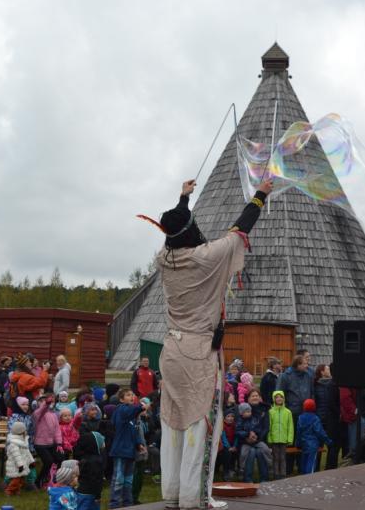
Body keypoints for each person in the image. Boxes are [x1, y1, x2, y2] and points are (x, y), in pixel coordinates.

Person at [157, 178, 272, 509]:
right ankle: (195, 498)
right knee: (202, 424)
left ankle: (174, 492)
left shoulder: (164, 260)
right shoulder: (206, 258)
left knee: (173, 421)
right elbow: (240, 230)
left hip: (172, 351)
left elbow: (175, 229)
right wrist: (261, 194)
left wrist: (183, 198)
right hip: (198, 353)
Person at [109, 388, 144, 508]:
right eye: (128, 395)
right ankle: (115, 503)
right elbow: (131, 410)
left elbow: (134, 432)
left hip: (130, 451)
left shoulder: (131, 417)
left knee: (128, 480)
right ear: (121, 399)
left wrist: (138, 444)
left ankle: (127, 503)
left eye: (132, 395)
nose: (131, 397)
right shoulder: (121, 410)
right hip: (120, 451)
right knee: (118, 479)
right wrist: (141, 406)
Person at [236, 391, 272, 483]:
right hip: (245, 440)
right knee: (250, 452)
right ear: (248, 399)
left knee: (262, 451)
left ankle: (265, 476)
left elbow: (265, 428)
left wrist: (256, 438)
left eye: (257, 395)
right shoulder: (243, 410)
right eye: (252, 396)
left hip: (259, 439)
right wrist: (247, 437)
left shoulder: (263, 410)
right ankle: (246, 477)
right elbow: (238, 428)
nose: (255, 397)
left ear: (260, 397)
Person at [34, 394, 63, 489]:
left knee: (60, 458)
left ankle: (54, 479)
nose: (44, 402)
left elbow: (57, 430)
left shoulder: (54, 415)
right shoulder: (37, 414)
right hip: (40, 444)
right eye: (41, 401)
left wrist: (59, 443)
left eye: (45, 400)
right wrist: (46, 403)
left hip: (51, 443)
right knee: (48, 462)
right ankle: (39, 481)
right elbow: (42, 410)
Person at [313, 364, 340, 470]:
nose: (329, 371)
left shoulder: (333, 384)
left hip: (329, 419)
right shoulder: (316, 385)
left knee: (330, 445)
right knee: (320, 445)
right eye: (327, 369)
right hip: (321, 419)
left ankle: (329, 468)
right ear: (322, 372)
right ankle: (316, 468)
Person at [296, 399, 332, 474]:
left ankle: (303, 478)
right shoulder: (315, 418)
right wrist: (328, 441)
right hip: (313, 445)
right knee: (311, 463)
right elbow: (320, 432)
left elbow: (298, 432)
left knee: (304, 462)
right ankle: (309, 479)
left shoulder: (300, 418)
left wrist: (298, 443)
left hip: (303, 443)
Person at [73, 428, 105, 510]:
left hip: (81, 491)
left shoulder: (84, 458)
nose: (104, 443)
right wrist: (98, 495)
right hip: (90, 493)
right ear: (95, 444)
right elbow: (96, 479)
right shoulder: (96, 461)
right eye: (102, 441)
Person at [5, 421, 36, 496]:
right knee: (16, 480)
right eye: (24, 430)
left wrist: (31, 461)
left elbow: (27, 452)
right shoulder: (13, 444)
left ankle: (17, 491)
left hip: (22, 465)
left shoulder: (23, 442)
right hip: (16, 465)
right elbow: (17, 456)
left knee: (21, 480)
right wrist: (20, 465)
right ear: (21, 432)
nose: (26, 432)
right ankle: (9, 491)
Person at [267, 390, 293, 480]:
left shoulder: (288, 412)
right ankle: (276, 474)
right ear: (274, 399)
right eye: (277, 397)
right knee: (275, 457)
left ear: (283, 398)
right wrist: (269, 438)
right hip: (274, 439)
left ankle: (283, 474)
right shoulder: (270, 412)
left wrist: (289, 438)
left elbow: (290, 426)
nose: (279, 399)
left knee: (282, 457)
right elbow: (269, 426)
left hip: (283, 439)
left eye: (281, 397)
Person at [217, 409, 238, 481]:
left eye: (232, 416)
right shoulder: (222, 425)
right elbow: (223, 438)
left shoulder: (235, 425)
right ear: (224, 418)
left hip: (233, 445)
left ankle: (232, 469)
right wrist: (229, 447)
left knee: (236, 452)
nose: (230, 418)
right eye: (228, 416)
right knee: (227, 453)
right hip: (224, 445)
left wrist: (235, 446)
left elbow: (236, 437)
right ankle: (226, 472)